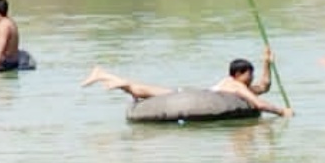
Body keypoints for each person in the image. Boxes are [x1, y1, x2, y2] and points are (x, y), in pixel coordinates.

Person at [80, 49, 293, 117]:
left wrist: (267, 64)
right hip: (184, 96)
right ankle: (107, 76)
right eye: (249, 75)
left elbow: (264, 88)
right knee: (142, 90)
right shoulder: (235, 86)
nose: (252, 79)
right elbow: (259, 104)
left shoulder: (239, 85)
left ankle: (109, 77)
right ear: (239, 74)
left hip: (186, 93)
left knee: (142, 90)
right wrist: (281, 112)